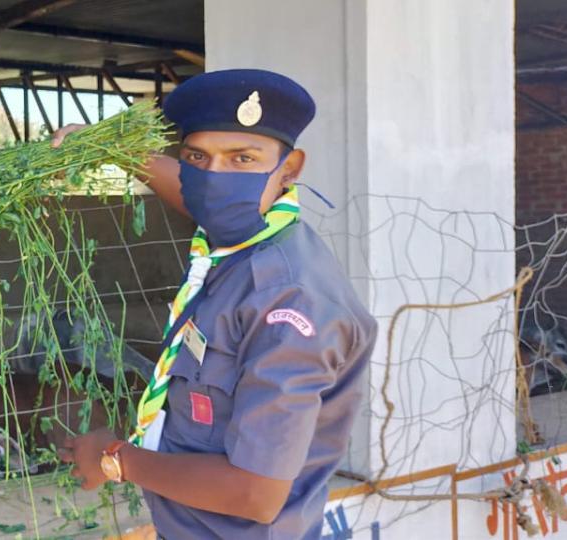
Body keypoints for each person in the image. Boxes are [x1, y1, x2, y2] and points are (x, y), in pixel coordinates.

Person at [53, 69, 377, 539]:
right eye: (197, 156)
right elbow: (203, 195)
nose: (215, 178)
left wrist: (116, 458)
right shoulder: (245, 238)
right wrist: (109, 148)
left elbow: (256, 494)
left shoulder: (287, 304)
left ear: (290, 168)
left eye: (243, 158)